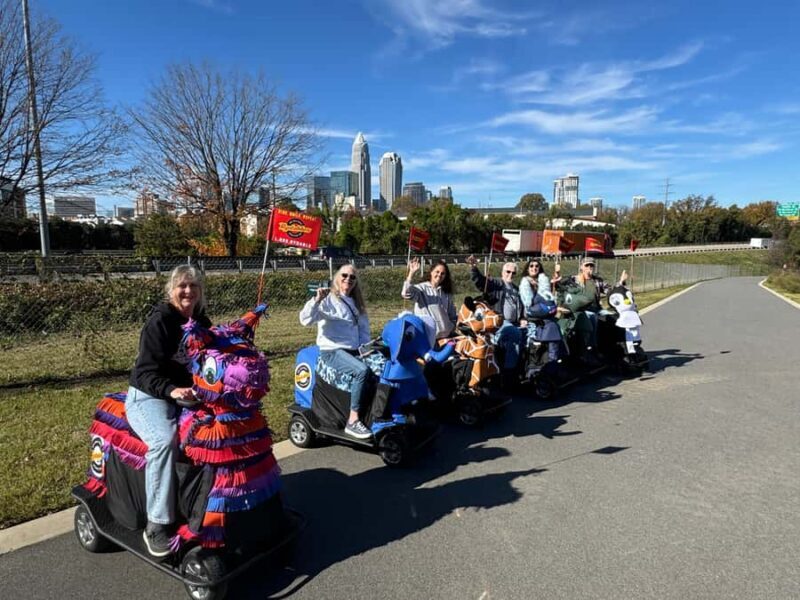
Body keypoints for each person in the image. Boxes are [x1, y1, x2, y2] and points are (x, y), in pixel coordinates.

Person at [126, 265, 211, 557]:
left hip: (187, 395)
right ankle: (157, 525)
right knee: (165, 441)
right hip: (149, 396)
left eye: (194, 287)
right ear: (171, 290)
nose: (188, 292)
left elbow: (214, 352)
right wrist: (172, 391)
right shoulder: (160, 322)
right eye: (182, 286)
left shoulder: (200, 320)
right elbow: (146, 373)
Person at [299, 264, 372, 440]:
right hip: (331, 351)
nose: (348, 279)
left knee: (383, 366)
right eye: (344, 275)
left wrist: (367, 349)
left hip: (353, 351)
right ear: (337, 278)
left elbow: (363, 330)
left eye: (352, 277)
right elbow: (305, 320)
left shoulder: (356, 302)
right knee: (361, 371)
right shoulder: (327, 299)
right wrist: (316, 300)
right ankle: (352, 421)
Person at [465, 255, 526, 370]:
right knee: (515, 334)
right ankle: (509, 372)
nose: (510, 275)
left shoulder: (516, 289)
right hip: (500, 321)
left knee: (531, 334)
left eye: (513, 273)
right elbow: (481, 282)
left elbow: (520, 306)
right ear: (502, 272)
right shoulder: (497, 284)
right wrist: (473, 268)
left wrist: (523, 318)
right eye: (508, 272)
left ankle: (526, 368)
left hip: (515, 322)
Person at [401, 257, 458, 339]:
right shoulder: (421, 288)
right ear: (431, 272)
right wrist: (411, 273)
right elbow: (405, 293)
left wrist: (451, 326)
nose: (439, 275)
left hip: (445, 338)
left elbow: (452, 314)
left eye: (443, 273)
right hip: (426, 339)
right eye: (437, 272)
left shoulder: (446, 293)